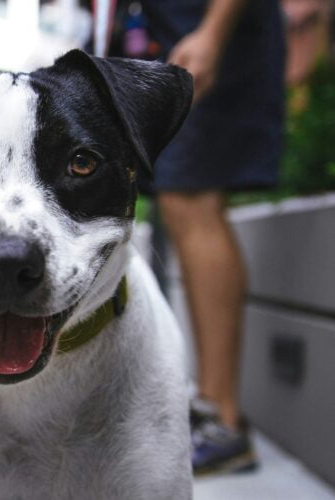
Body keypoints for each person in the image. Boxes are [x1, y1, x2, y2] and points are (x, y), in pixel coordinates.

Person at [139, 0, 286, 475]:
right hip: (179, 34)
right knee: (181, 201)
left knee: (192, 199)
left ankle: (222, 421)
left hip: (203, 34)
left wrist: (213, 33)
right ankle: (210, 413)